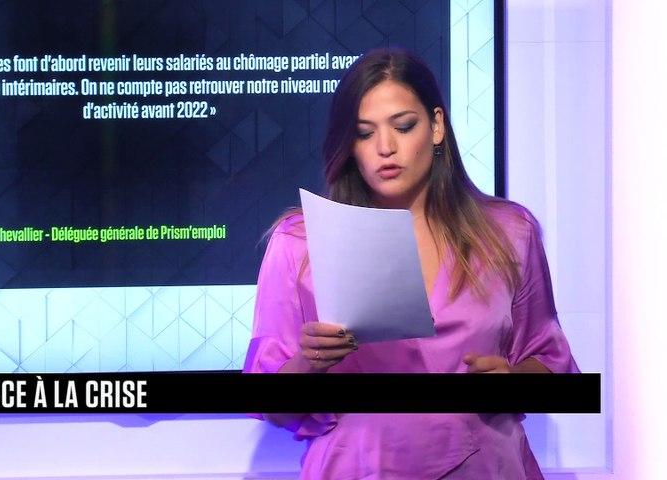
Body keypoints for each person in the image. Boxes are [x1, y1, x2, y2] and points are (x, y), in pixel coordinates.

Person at [242, 48, 579, 479]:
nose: (386, 148)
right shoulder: (299, 243)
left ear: (436, 126)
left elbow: (549, 361)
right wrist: (309, 362)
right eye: (364, 134)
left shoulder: (509, 232)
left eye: (403, 126)